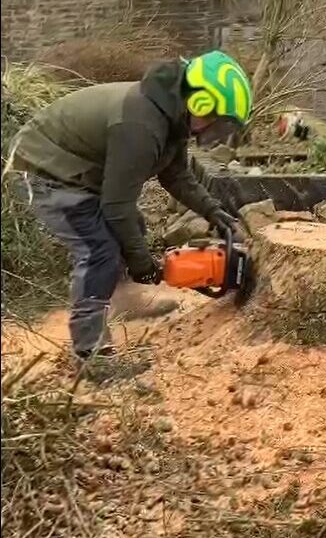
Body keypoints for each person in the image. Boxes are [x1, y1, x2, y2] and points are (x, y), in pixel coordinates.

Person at [10, 50, 253, 360]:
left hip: (76, 168)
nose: (214, 130)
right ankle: (91, 352)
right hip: (43, 169)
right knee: (100, 250)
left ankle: (124, 298)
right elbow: (116, 207)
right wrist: (143, 264)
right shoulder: (141, 127)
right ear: (201, 102)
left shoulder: (171, 114)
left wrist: (214, 212)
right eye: (217, 121)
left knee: (131, 226)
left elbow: (177, 176)